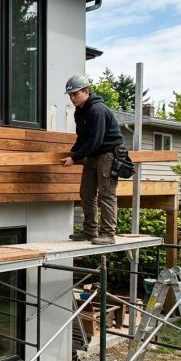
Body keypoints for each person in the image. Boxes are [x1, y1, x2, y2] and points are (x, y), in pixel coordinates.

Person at [61, 75, 126, 245]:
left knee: (106, 194)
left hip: (109, 153)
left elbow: (95, 140)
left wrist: (75, 158)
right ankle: (90, 231)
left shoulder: (97, 110)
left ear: (86, 91)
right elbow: (82, 138)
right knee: (86, 192)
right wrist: (73, 153)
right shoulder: (80, 111)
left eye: (75, 94)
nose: (72, 98)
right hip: (93, 154)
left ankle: (108, 235)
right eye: (70, 95)